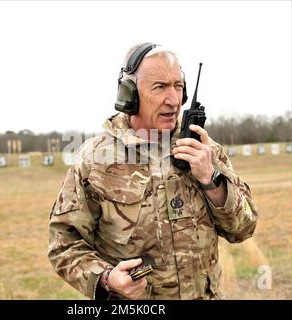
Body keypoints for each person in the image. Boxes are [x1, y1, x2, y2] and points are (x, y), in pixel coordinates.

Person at [48, 42, 258, 300]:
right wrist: (106, 277)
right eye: (159, 87)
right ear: (130, 94)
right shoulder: (95, 160)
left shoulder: (204, 149)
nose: (173, 100)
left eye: (178, 87)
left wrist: (211, 179)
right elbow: (64, 244)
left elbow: (244, 228)